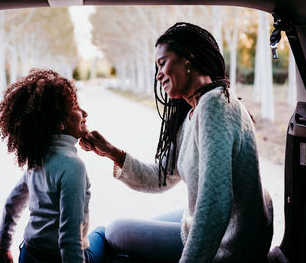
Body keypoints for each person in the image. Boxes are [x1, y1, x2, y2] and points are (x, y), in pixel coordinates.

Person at [80, 22, 273, 263]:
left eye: (163, 63)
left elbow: (215, 203)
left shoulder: (215, 106)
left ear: (188, 58)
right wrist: (112, 153)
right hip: (228, 226)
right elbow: (159, 177)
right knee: (140, 227)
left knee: (116, 230)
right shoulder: (194, 111)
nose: (158, 74)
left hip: (231, 242)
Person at [0, 69, 109, 263]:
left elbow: (12, 204)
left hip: (29, 254)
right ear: (61, 122)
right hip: (58, 258)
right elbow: (69, 237)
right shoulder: (73, 166)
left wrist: (3, 247)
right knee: (104, 234)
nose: (85, 113)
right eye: (76, 107)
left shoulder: (36, 158)